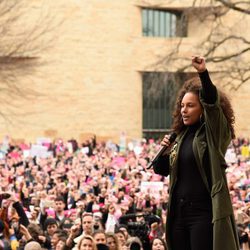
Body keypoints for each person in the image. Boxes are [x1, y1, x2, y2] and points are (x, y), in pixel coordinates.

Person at [152, 56, 240, 250]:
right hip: (178, 214)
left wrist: (203, 73)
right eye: (182, 106)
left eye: (190, 105)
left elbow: (212, 103)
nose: (184, 110)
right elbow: (162, 170)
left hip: (203, 213)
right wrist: (165, 152)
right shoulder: (180, 136)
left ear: (202, 109)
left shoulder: (213, 134)